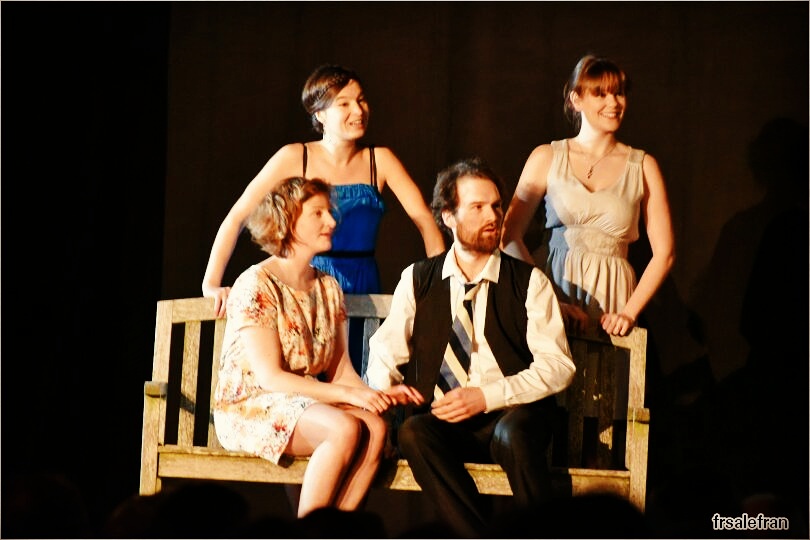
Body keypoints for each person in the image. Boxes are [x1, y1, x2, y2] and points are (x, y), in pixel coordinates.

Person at [365, 157, 576, 538]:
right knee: (414, 432)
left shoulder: (529, 282)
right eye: (477, 207)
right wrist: (383, 395)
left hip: (512, 415)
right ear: (448, 216)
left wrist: (486, 397)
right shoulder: (419, 279)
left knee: (514, 435)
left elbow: (558, 366)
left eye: (496, 205)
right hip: (447, 420)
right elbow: (385, 351)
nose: (492, 216)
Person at [212, 176, 422, 518]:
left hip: (304, 402)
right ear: (288, 220)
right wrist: (349, 397)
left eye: (329, 212)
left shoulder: (328, 287)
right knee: (343, 428)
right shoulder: (257, 284)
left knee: (376, 428)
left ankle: (334, 531)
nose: (332, 221)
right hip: (251, 406)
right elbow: (271, 378)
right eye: (318, 213)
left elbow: (342, 372)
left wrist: (375, 396)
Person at [202, 64, 445, 319]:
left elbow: (424, 219)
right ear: (320, 114)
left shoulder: (380, 160)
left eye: (361, 100)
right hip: (304, 282)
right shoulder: (294, 156)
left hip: (364, 285)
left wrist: (440, 283)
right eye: (344, 103)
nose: (358, 110)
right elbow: (237, 217)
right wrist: (211, 284)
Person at [500, 54, 675, 337]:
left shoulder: (643, 166)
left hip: (612, 300)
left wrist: (628, 313)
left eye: (619, 93)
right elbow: (509, 235)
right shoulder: (547, 156)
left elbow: (664, 253)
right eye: (601, 94)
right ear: (576, 99)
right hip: (553, 287)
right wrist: (547, 299)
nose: (613, 102)